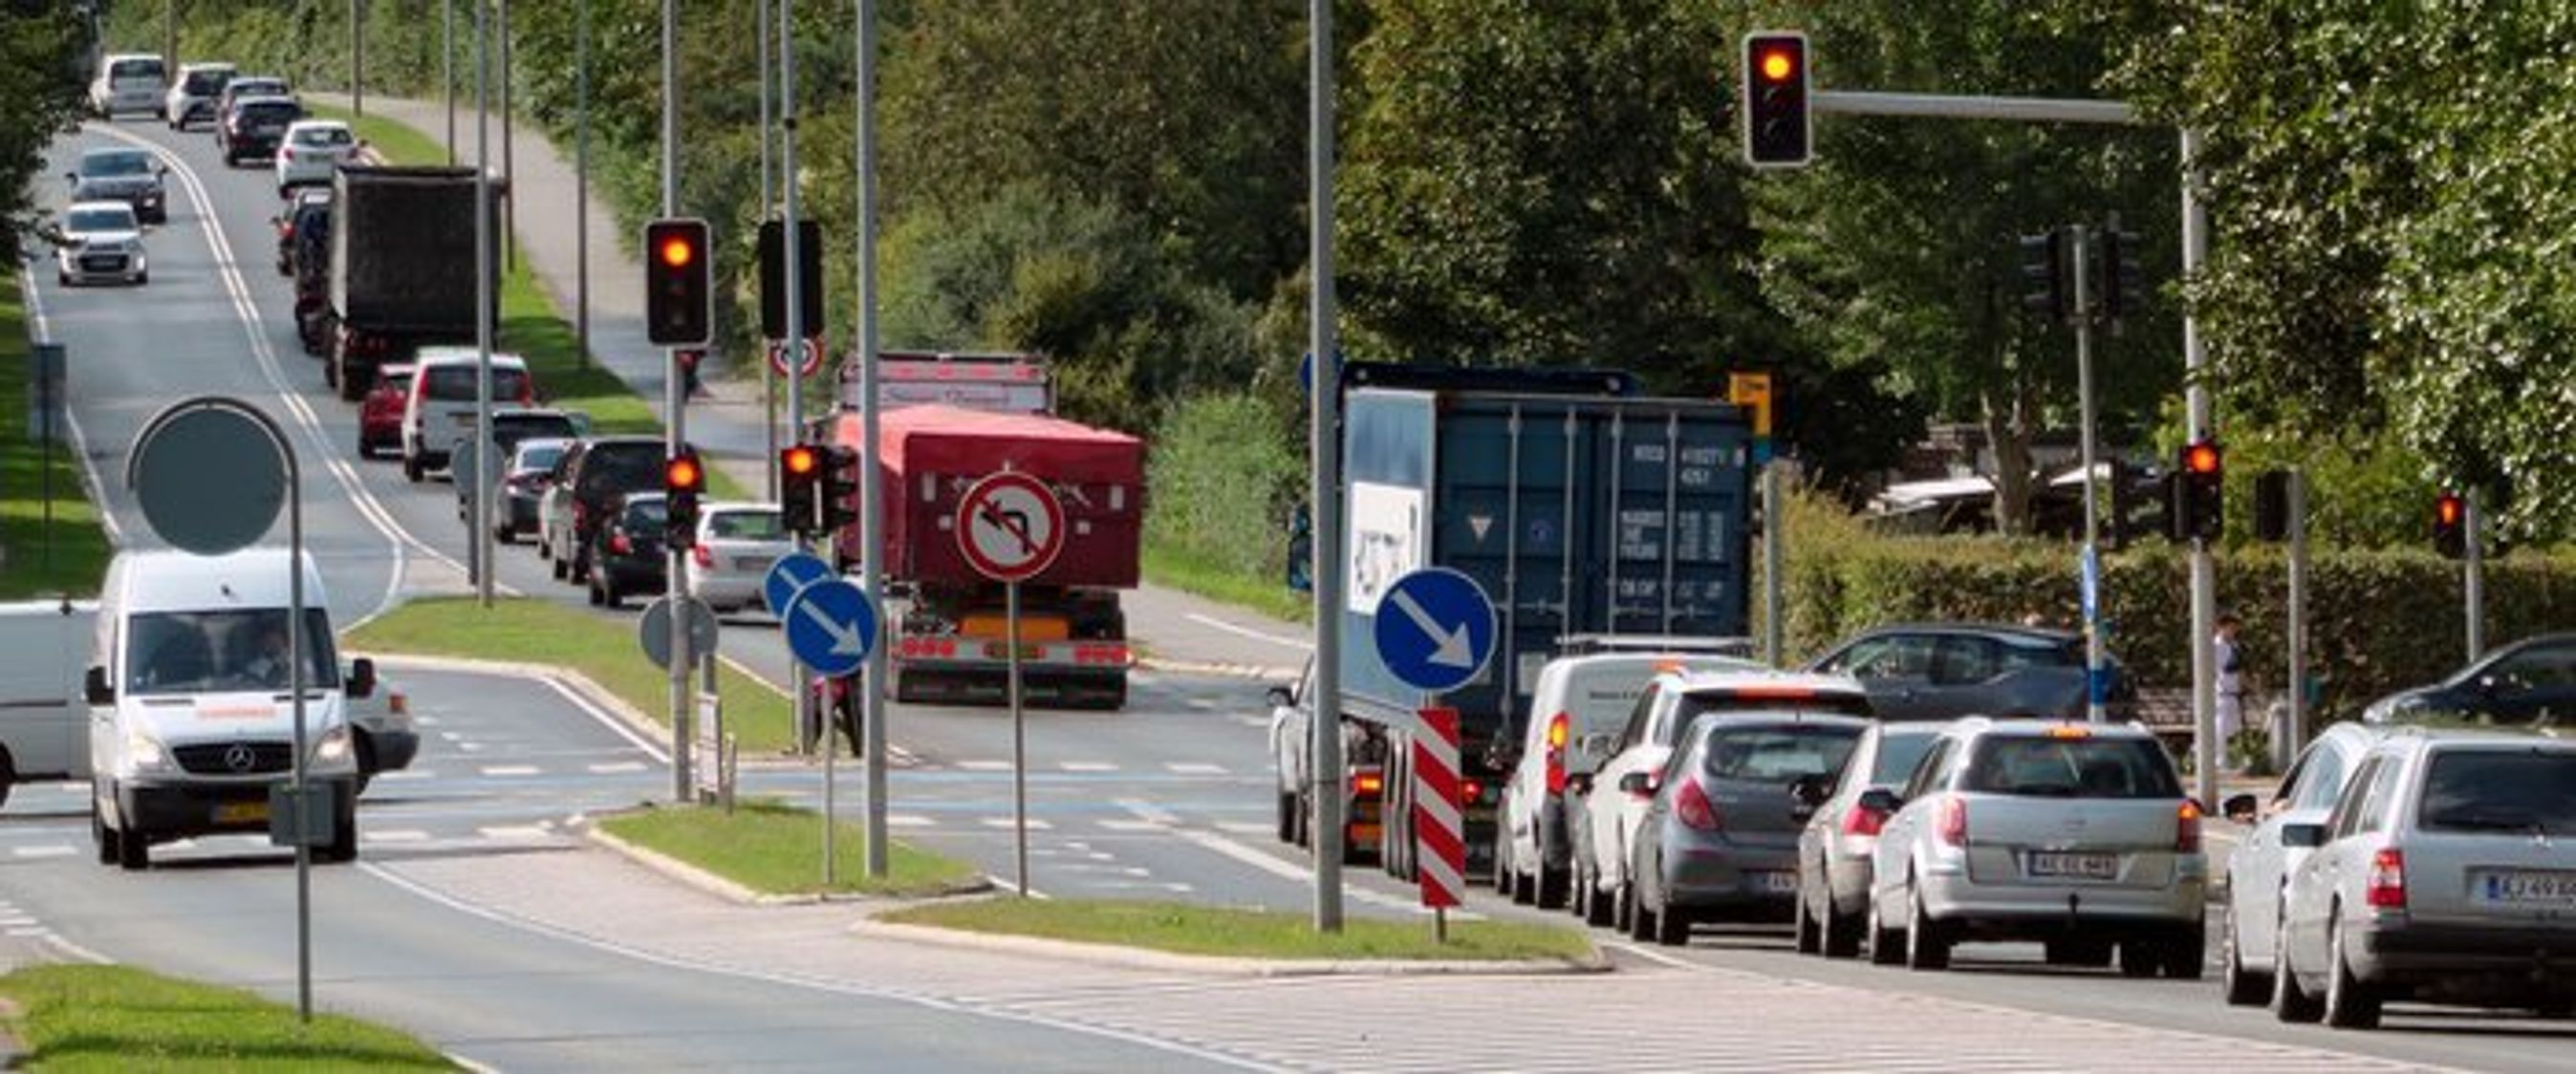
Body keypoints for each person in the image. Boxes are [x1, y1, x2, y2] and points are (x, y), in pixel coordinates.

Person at [2214, 612, 2245, 768]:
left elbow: (2239, 668)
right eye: (2230, 628)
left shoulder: (2234, 645)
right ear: (2221, 627)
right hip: (2222, 693)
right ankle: (2220, 760)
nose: (2233, 631)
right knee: (2220, 727)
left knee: (2234, 728)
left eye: (2235, 628)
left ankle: (2233, 760)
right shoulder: (2215, 645)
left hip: (2234, 692)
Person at [243, 621, 293, 687]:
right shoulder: (255, 667)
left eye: (276, 637)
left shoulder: (298, 660)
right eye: (267, 640)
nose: (272, 643)